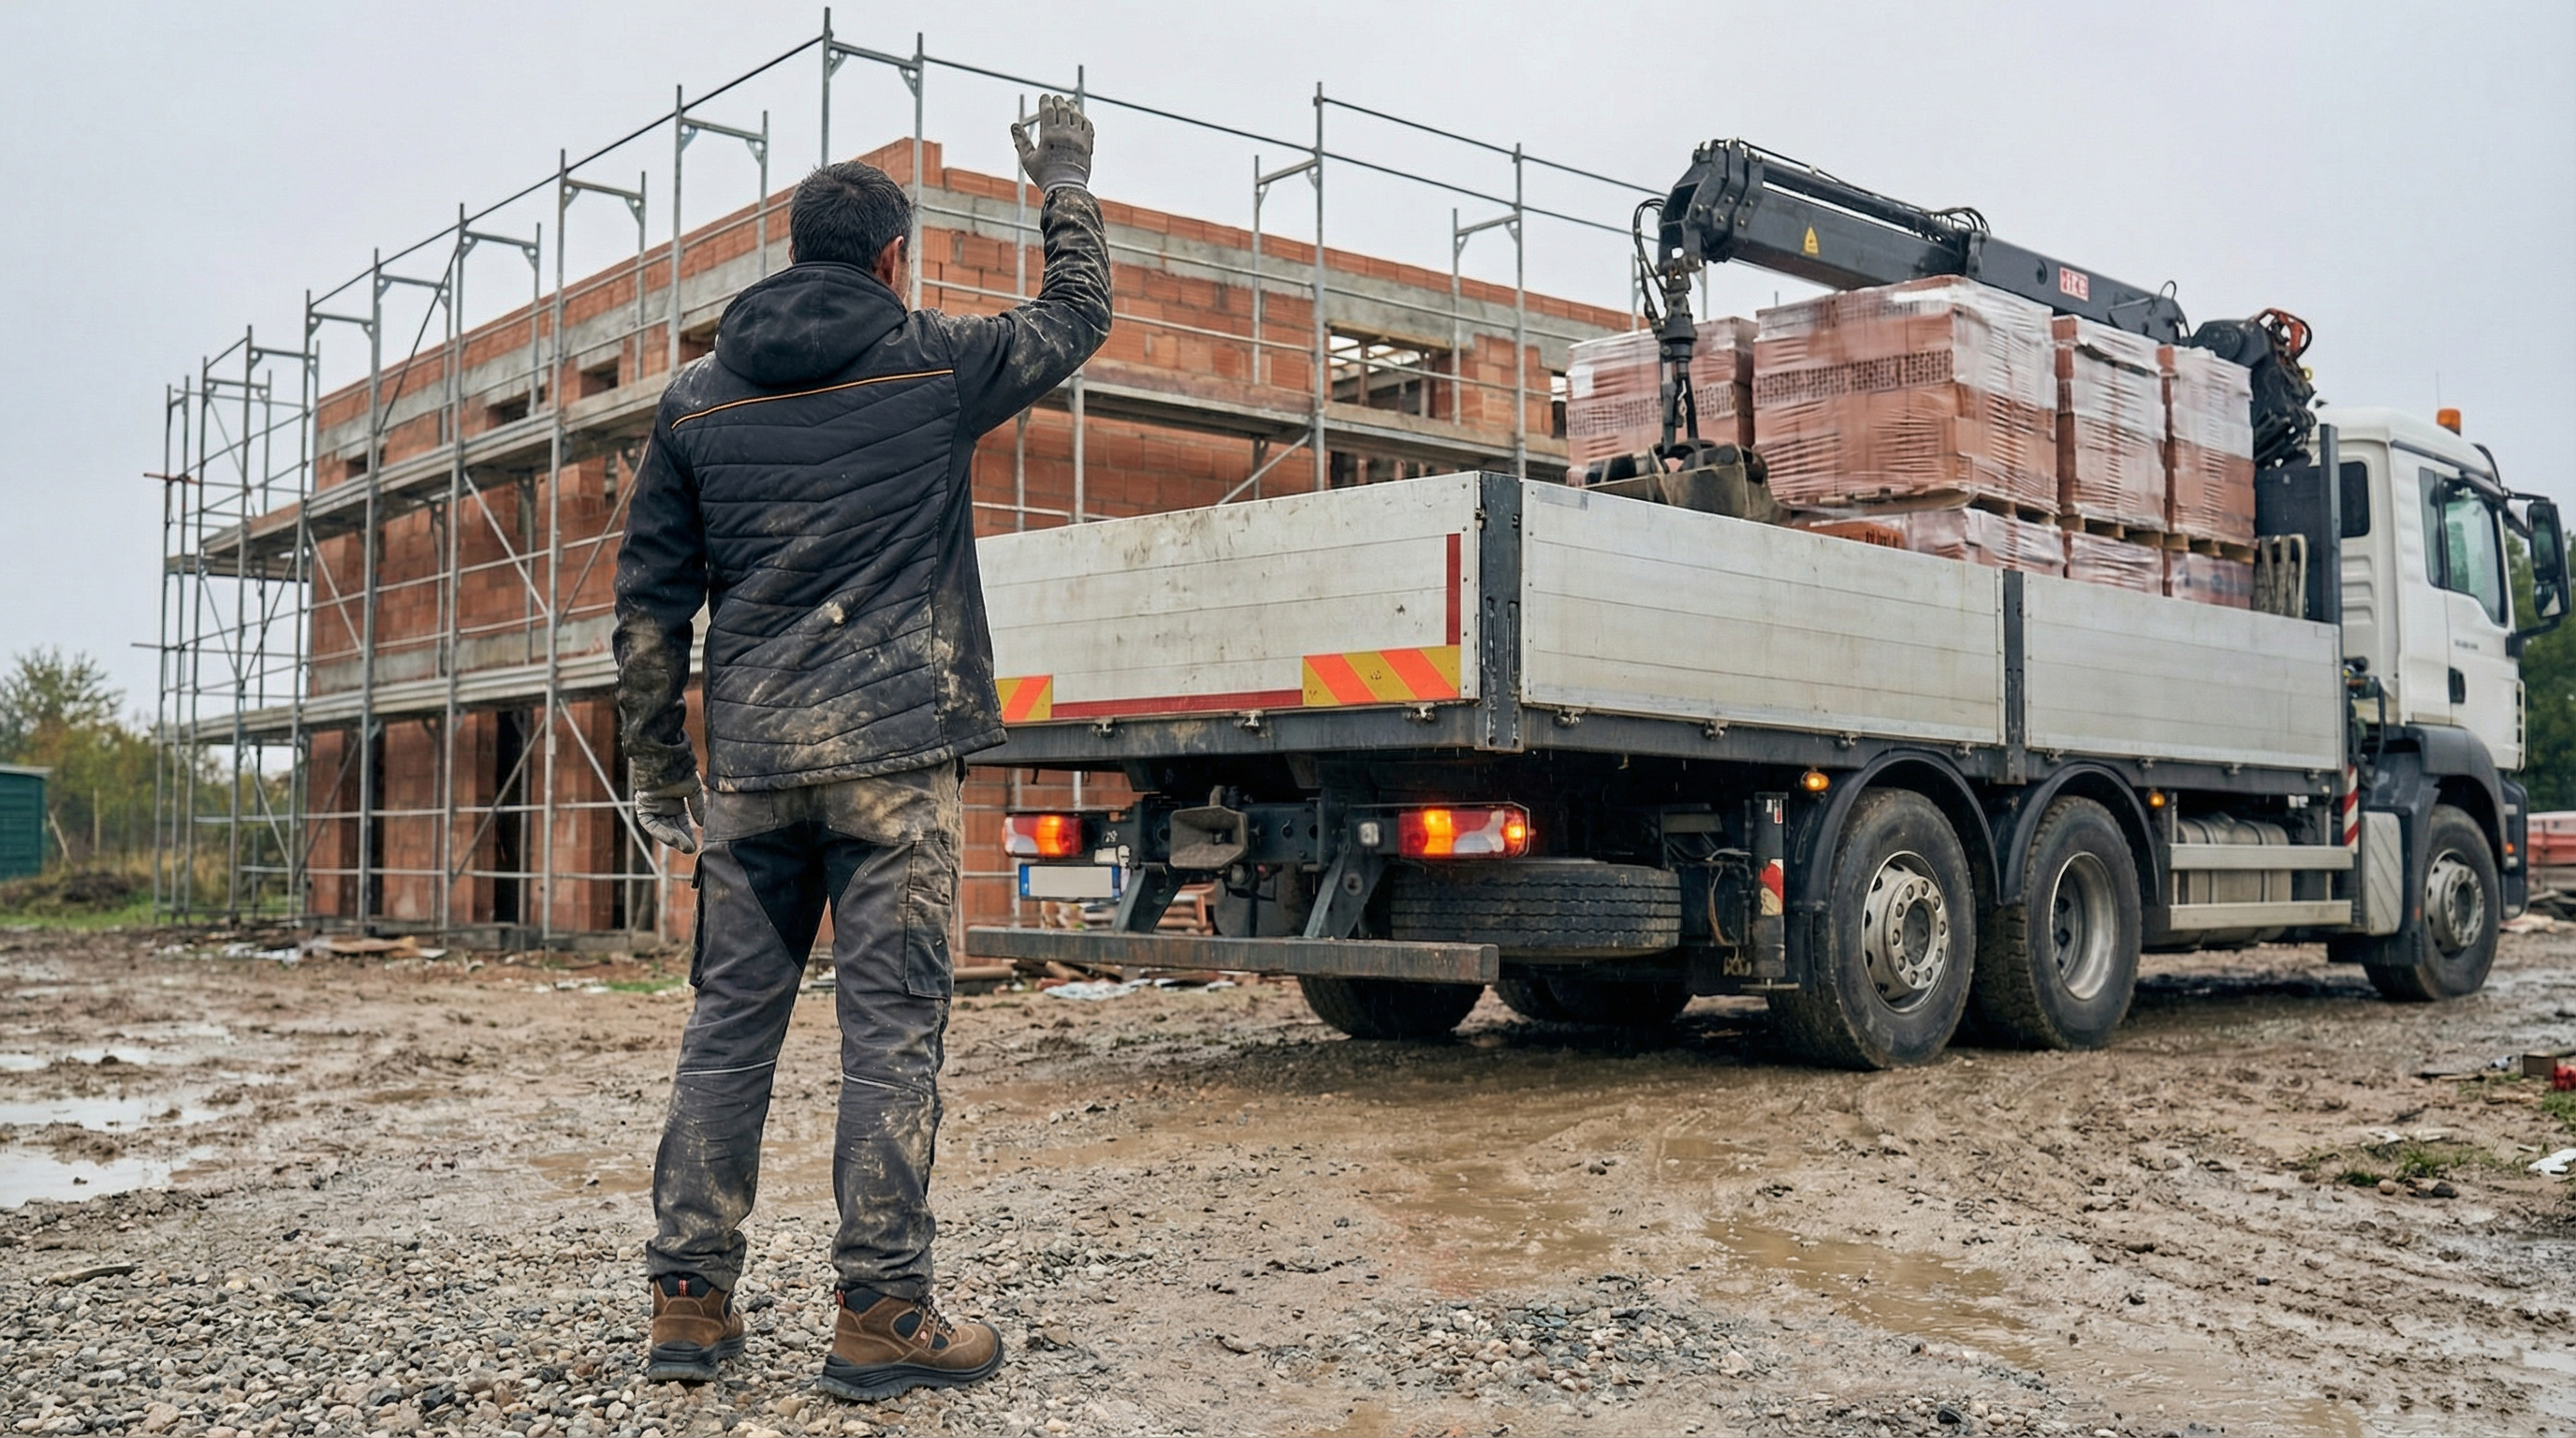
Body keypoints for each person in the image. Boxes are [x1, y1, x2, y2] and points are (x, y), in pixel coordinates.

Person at [611, 95, 1108, 1402]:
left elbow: (649, 606)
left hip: (755, 770)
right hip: (894, 763)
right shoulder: (935, 360)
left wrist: (660, 771)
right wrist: (1063, 180)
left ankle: (688, 1302)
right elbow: (1075, 317)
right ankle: (882, 1316)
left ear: (795, 253)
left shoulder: (693, 401)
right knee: (890, 1034)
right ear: (894, 258)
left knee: (728, 1030)